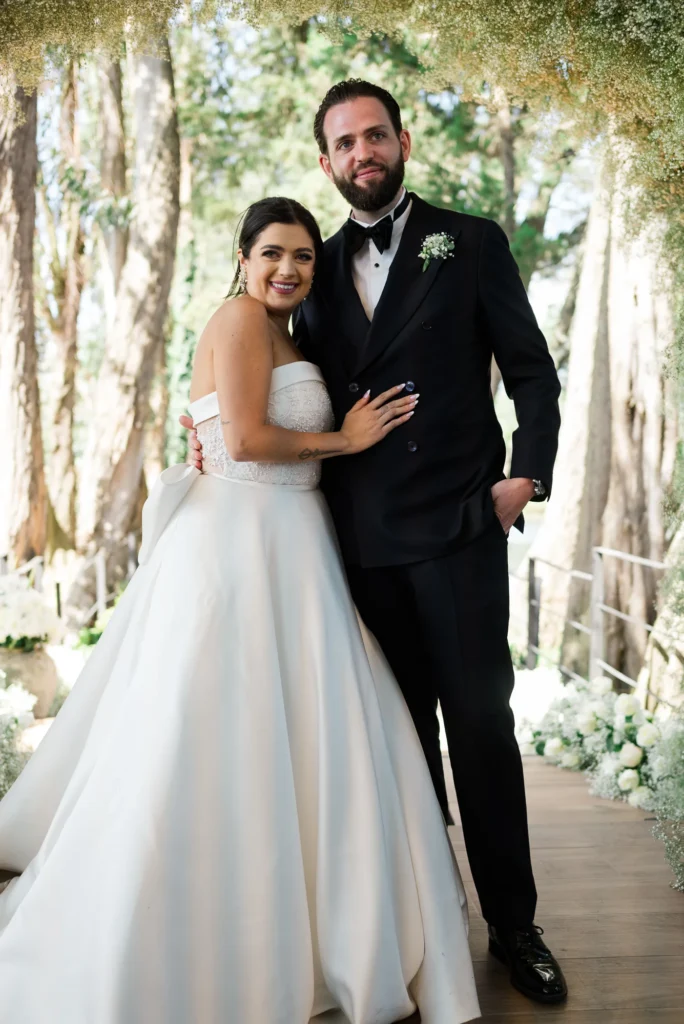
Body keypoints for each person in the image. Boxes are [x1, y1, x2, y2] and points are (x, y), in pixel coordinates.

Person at [0, 197, 480, 1024]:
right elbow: (252, 440)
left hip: (298, 546)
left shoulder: (292, 335)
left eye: (301, 256)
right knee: (211, 730)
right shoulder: (235, 317)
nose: (288, 269)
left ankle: (307, 922)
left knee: (309, 732)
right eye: (272, 254)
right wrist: (348, 440)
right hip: (236, 545)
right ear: (243, 256)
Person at [185, 80, 567, 1005]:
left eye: (374, 136)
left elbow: (532, 375)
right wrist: (200, 426)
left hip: (462, 533)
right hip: (354, 549)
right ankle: (424, 912)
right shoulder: (307, 275)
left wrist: (527, 479)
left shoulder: (469, 241)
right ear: (326, 161)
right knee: (394, 746)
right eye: (344, 143)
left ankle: (516, 926)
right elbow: (257, 373)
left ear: (401, 141)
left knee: (480, 730)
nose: (362, 152)